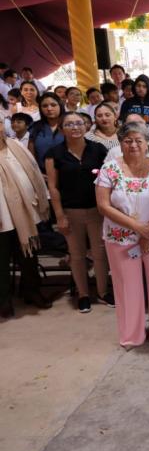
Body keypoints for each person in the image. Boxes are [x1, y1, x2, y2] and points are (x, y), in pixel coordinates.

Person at [95, 122, 149, 349]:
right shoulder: (109, 169)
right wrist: (138, 228)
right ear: (120, 143)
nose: (133, 145)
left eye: (138, 140)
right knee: (127, 288)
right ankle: (131, 335)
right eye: (128, 140)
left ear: (147, 143)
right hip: (121, 238)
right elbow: (103, 206)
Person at [45, 112, 112, 313]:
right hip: (70, 211)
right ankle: (83, 294)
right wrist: (59, 215)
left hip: (97, 210)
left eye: (79, 123)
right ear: (62, 128)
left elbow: (108, 179)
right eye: (69, 124)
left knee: (100, 253)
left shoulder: (98, 149)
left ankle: (103, 291)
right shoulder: (54, 154)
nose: (75, 127)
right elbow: (53, 187)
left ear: (86, 126)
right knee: (77, 255)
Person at [0, 130, 52, 316]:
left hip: (25, 212)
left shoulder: (16, 147)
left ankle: (31, 291)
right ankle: (3, 301)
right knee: (1, 259)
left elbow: (33, 171)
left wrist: (41, 199)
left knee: (29, 256)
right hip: (2, 216)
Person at [27, 92, 64, 170]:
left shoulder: (69, 125)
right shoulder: (35, 127)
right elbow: (31, 156)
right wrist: (38, 173)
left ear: (60, 105)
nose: (49, 109)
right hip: (42, 174)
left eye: (53, 105)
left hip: (67, 172)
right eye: (44, 106)